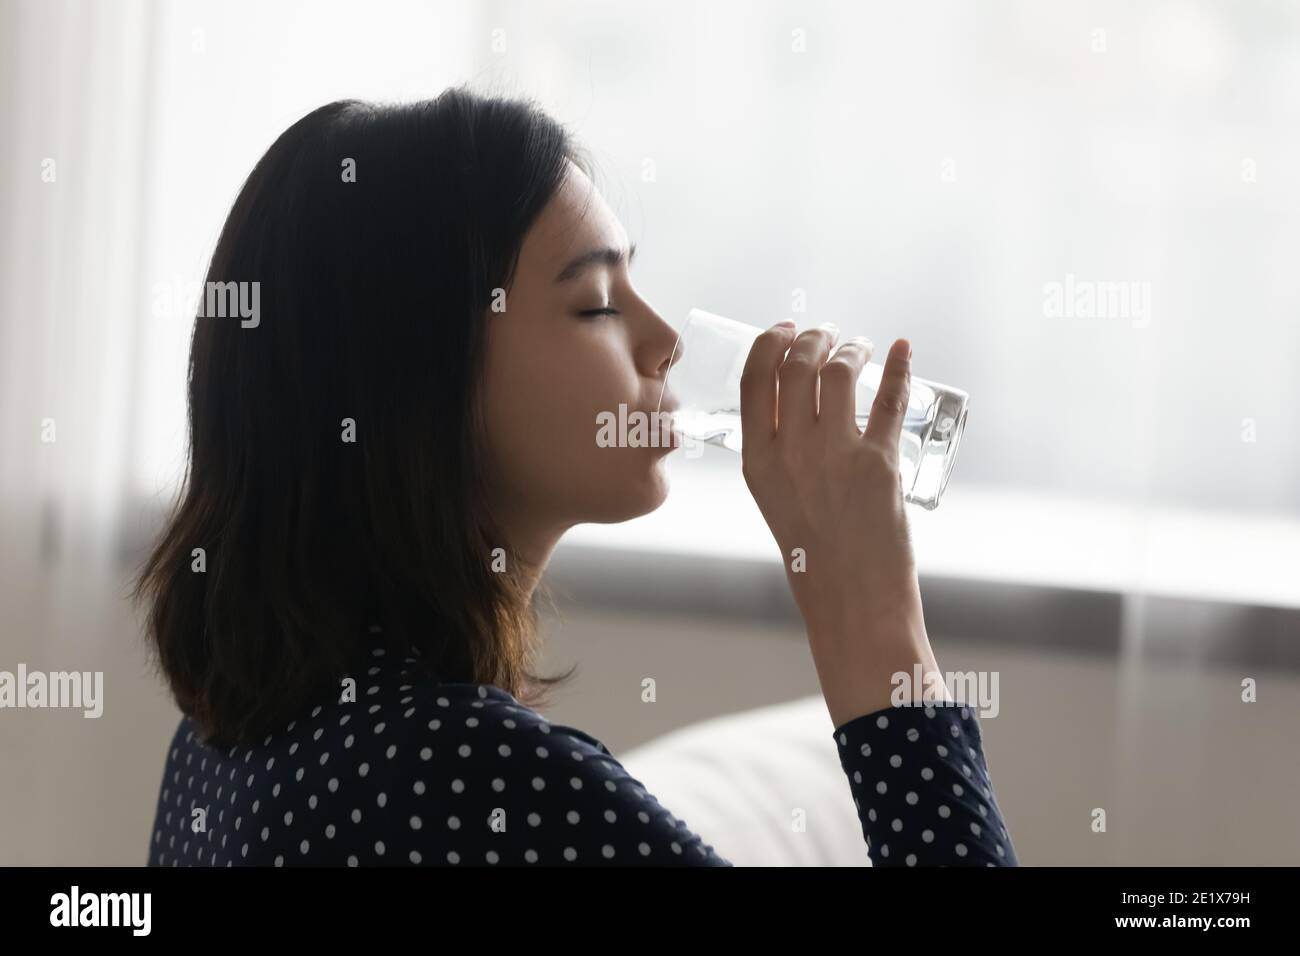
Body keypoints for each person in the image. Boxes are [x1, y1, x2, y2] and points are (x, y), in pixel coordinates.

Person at [140, 87, 1017, 867]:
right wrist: (873, 620)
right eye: (595, 304)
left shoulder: (228, 734)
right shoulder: (470, 779)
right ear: (419, 375)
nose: (665, 339)